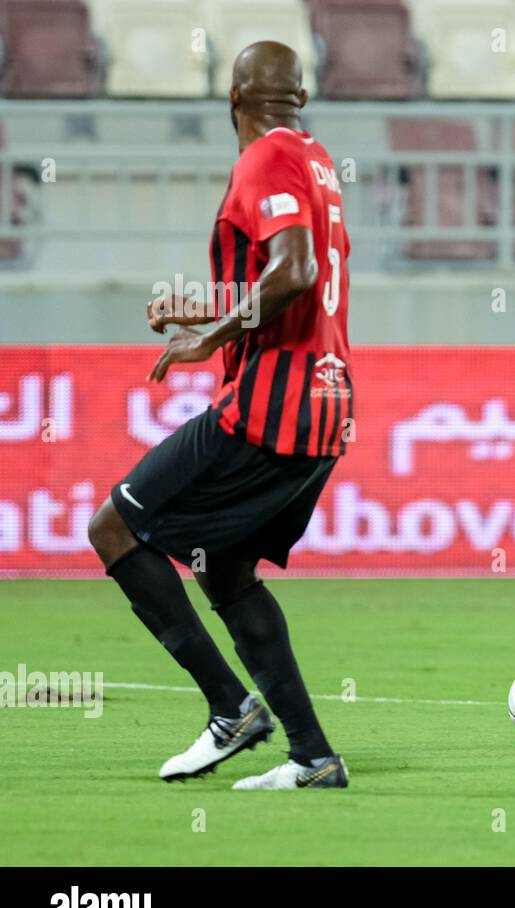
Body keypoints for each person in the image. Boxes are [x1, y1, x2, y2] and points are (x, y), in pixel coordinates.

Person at [86, 42, 354, 789]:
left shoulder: (264, 161)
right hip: (328, 406)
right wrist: (204, 306)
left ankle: (231, 707)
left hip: (271, 407)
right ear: (301, 95)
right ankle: (312, 757)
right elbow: (294, 280)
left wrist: (210, 335)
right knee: (226, 570)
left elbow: (294, 273)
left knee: (112, 526)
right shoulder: (318, 162)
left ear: (231, 98)